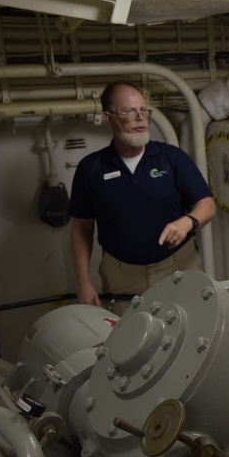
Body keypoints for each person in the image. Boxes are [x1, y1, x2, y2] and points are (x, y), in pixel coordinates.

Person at [69, 80, 216, 315]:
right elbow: (81, 228)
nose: (140, 117)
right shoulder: (92, 168)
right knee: (134, 343)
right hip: (122, 277)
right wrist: (83, 282)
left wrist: (188, 221)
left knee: (192, 332)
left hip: (179, 267)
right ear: (109, 118)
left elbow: (207, 204)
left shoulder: (171, 158)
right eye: (129, 111)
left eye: (143, 110)